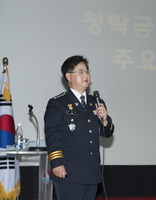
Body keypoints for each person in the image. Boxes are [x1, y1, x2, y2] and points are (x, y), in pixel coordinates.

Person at [44, 55, 115, 200]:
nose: (86, 75)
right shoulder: (58, 103)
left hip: (91, 173)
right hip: (69, 171)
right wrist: (57, 163)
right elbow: (52, 135)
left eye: (87, 71)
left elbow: (107, 134)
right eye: (80, 71)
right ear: (68, 76)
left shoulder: (96, 102)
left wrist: (105, 120)